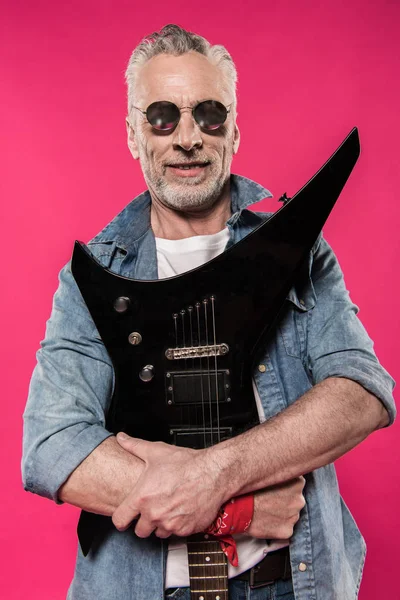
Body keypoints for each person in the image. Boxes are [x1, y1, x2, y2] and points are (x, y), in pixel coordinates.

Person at [22, 24, 395, 600]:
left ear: (235, 130)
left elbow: (361, 392)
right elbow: (53, 448)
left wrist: (210, 475)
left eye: (210, 114)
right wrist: (237, 510)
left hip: (290, 584)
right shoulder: (92, 278)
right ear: (133, 133)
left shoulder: (299, 249)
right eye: (163, 116)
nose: (188, 137)